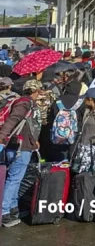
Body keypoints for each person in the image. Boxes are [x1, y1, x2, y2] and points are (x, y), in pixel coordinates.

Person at [0, 80, 41, 227]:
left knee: (14, 179)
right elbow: (13, 121)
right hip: (20, 147)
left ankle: (12, 209)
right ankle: (4, 213)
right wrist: (1, 137)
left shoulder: (19, 101)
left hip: (16, 145)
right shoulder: (25, 103)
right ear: (35, 91)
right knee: (14, 180)